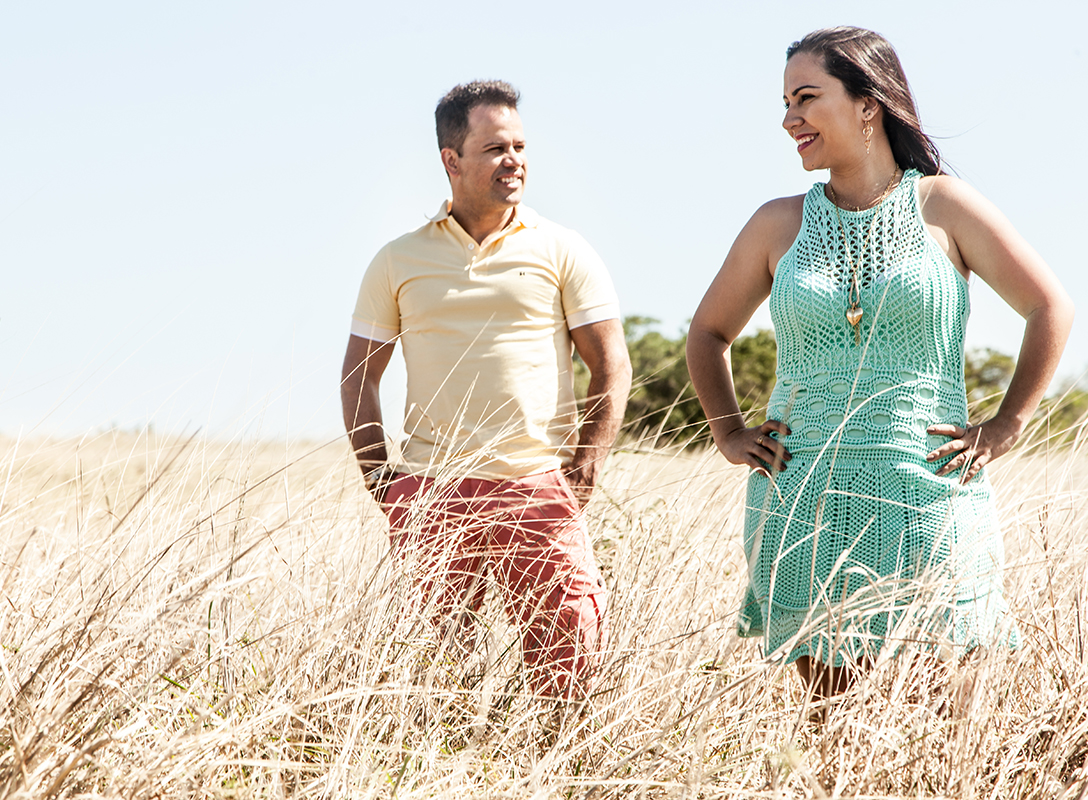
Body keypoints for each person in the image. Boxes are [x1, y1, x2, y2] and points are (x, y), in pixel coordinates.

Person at [685, 27, 1073, 704]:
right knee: (833, 727)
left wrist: (1007, 423)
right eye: (785, 102)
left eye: (806, 98)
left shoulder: (944, 206)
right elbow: (708, 331)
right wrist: (728, 433)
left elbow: (1050, 307)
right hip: (802, 498)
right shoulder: (776, 225)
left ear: (869, 104)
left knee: (931, 718)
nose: (788, 118)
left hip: (928, 491)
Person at [340, 80, 631, 699]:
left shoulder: (563, 248)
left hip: (539, 486)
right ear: (452, 160)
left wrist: (583, 471)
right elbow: (358, 376)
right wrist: (384, 482)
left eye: (520, 146)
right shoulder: (397, 259)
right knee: (429, 667)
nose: (515, 161)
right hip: (433, 491)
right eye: (497, 147)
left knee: (574, 650)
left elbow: (612, 365)